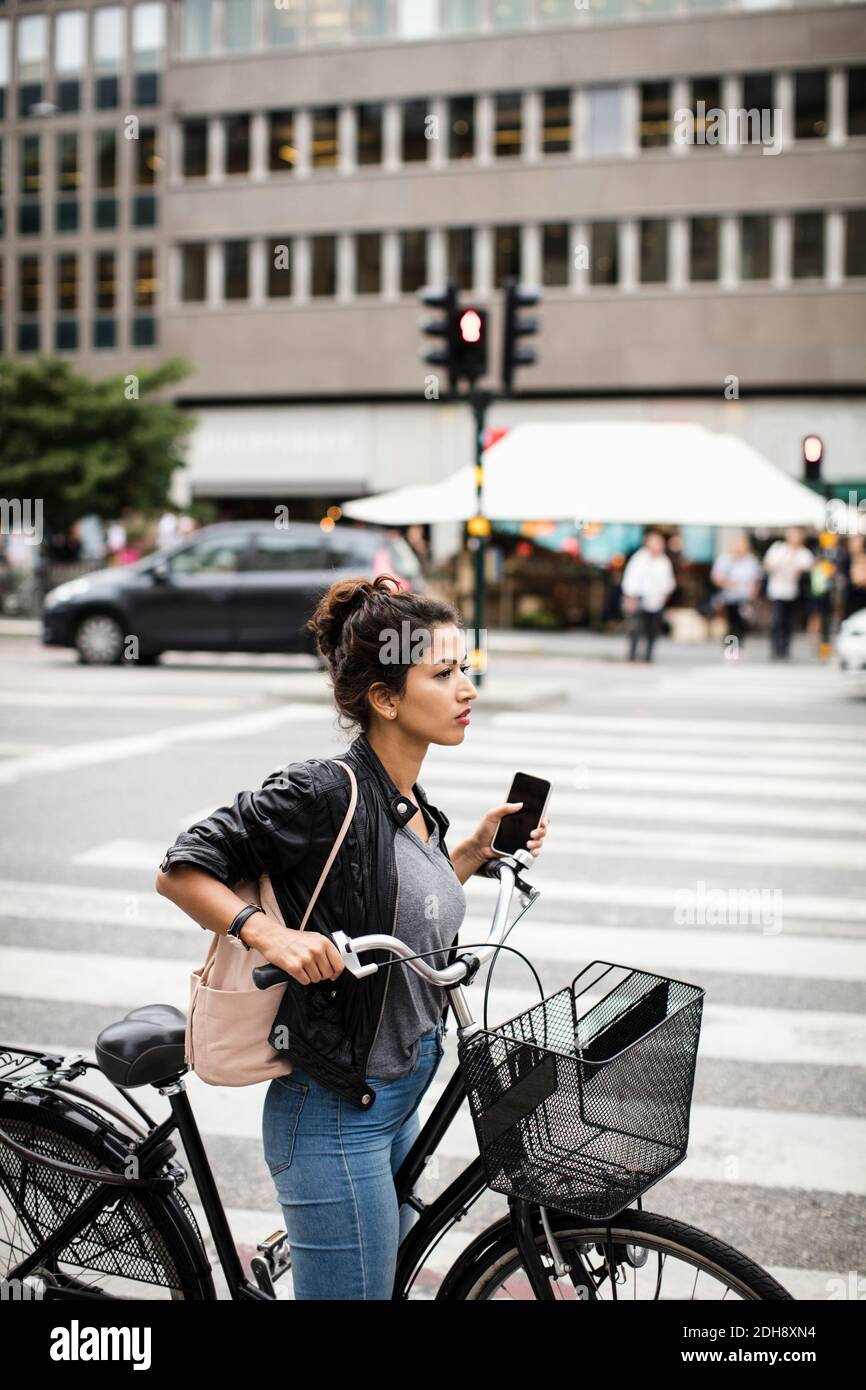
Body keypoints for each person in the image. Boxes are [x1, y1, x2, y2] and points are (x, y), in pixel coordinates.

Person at [155, 575, 549, 1300]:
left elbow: (385, 904)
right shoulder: (322, 790)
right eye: (442, 673)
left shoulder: (410, 801)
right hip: (337, 1111)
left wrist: (468, 853)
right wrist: (269, 937)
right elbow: (181, 869)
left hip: (399, 1090)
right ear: (385, 698)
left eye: (466, 669)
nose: (466, 688)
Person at [621, 529, 676, 662]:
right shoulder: (639, 559)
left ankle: (648, 656)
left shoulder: (664, 561)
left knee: (652, 630)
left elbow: (668, 582)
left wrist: (664, 596)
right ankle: (632, 655)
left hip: (656, 601)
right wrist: (630, 598)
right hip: (639, 598)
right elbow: (630, 579)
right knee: (636, 629)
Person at [762, 527, 814, 659]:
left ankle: (785, 647)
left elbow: (810, 566)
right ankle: (775, 647)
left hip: (793, 591)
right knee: (777, 620)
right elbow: (767, 564)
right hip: (777, 591)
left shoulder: (803, 553)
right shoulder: (778, 548)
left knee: (789, 622)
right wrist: (779, 566)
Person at [710, 536, 762, 650]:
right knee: (731, 624)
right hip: (729, 597)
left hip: (744, 597)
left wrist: (754, 593)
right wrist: (729, 583)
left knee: (741, 624)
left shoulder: (750, 560)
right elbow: (716, 578)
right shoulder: (725, 560)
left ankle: (739, 646)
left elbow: (756, 579)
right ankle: (730, 648)